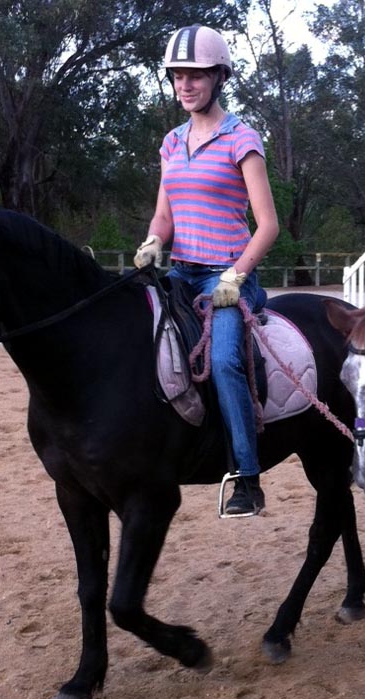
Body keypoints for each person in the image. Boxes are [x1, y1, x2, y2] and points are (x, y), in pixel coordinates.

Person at [133, 24, 279, 515]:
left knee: (223, 362)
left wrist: (235, 277)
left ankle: (247, 477)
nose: (185, 85)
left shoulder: (242, 138)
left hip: (229, 273)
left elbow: (268, 225)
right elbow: (165, 214)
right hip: (180, 271)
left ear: (219, 77)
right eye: (177, 76)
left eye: (195, 76)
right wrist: (154, 241)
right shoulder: (172, 142)